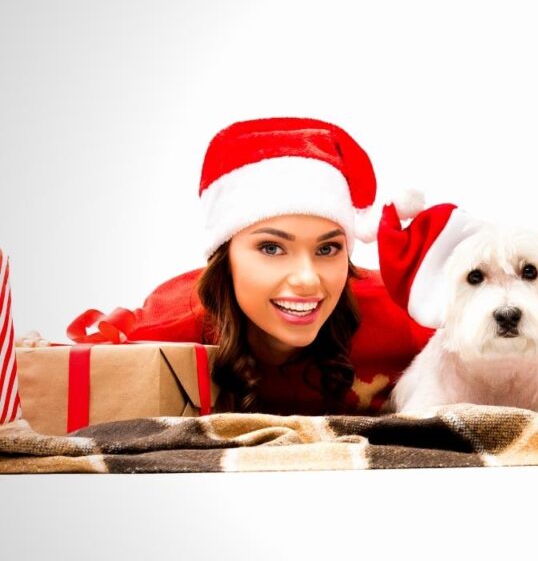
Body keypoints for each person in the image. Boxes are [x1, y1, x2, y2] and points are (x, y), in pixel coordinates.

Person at [25, 118, 432, 415]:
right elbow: (74, 370)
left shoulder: (399, 308)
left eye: (328, 250)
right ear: (225, 258)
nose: (308, 280)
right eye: (272, 248)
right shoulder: (177, 320)